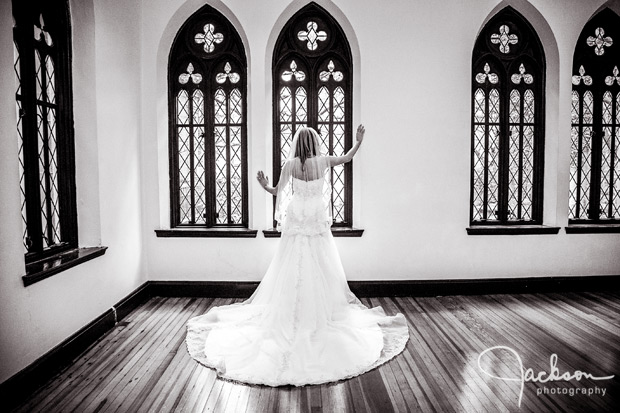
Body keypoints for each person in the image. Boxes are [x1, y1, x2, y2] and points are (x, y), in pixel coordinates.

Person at [186, 125, 409, 386]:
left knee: (290, 266)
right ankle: (319, 316)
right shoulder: (323, 162)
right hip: (314, 218)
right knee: (321, 265)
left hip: (297, 217)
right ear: (313, 142)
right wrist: (358, 142)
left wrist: (263, 184)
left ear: (297, 143)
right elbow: (347, 158)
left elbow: (276, 192)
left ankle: (291, 314)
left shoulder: (290, 165)